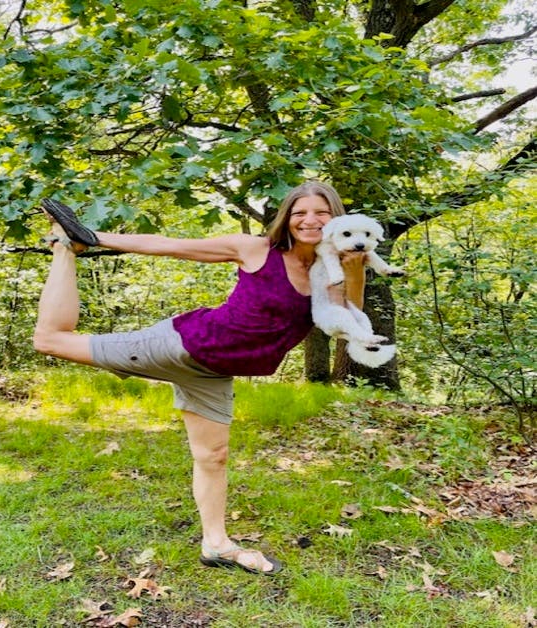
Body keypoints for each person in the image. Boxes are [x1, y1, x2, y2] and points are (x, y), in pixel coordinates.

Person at [33, 180, 365, 575]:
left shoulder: (328, 274)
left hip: (216, 372)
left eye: (321, 212)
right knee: (51, 340)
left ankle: (216, 545)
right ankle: (64, 249)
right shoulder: (255, 249)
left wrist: (353, 270)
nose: (309, 220)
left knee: (213, 456)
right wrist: (88, 237)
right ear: (286, 219)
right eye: (299, 213)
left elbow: (349, 321)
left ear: (336, 218)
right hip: (182, 345)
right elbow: (170, 244)